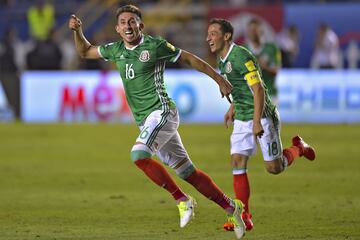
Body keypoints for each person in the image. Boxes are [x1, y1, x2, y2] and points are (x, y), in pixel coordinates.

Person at [69, 5, 246, 239]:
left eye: (132, 21)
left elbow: (189, 59)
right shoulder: (116, 49)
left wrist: (219, 79)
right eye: (123, 22)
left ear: (140, 25)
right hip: (146, 121)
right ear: (117, 29)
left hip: (162, 112)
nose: (128, 26)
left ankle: (182, 200)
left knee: (139, 155)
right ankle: (232, 208)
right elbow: (84, 51)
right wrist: (77, 31)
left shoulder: (155, 46)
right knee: (188, 172)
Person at [206, 18, 316, 232]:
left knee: (274, 168)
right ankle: (244, 216)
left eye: (213, 33)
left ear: (227, 36)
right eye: (208, 33)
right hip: (242, 117)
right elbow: (241, 89)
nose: (208, 37)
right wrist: (233, 108)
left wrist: (257, 121)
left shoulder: (241, 55)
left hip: (263, 116)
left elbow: (258, 90)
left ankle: (298, 148)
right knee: (237, 162)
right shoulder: (222, 59)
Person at [244, 18, 281, 103]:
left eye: (255, 29)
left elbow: (276, 70)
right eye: (250, 30)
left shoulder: (272, 48)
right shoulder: (243, 49)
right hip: (250, 95)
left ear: (261, 31)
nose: (252, 32)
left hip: (270, 94)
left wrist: (264, 66)